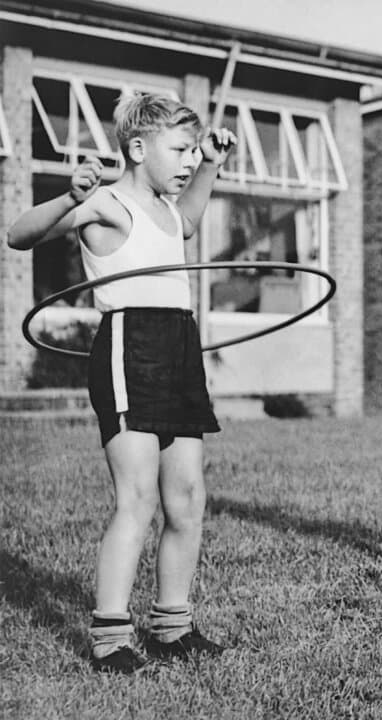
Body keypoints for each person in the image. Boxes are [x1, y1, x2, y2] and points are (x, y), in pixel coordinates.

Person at [7, 93, 236, 673]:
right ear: (138, 148)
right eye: (180, 149)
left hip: (179, 345)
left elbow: (186, 222)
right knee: (135, 497)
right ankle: (110, 637)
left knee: (186, 497)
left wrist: (210, 162)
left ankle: (172, 627)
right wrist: (70, 196)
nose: (187, 161)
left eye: (191, 151)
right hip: (130, 347)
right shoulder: (107, 203)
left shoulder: (166, 208)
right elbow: (19, 235)